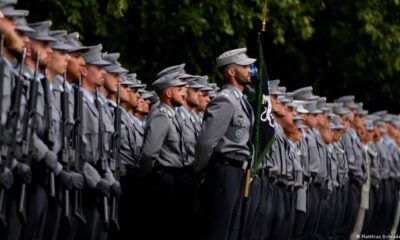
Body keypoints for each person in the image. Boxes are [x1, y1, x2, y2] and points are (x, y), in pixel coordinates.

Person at [195, 48, 256, 240]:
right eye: (244, 66)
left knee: (231, 231)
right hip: (225, 171)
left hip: (238, 172)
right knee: (219, 231)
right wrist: (201, 170)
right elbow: (206, 142)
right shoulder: (224, 100)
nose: (249, 70)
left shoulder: (241, 101)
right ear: (231, 71)